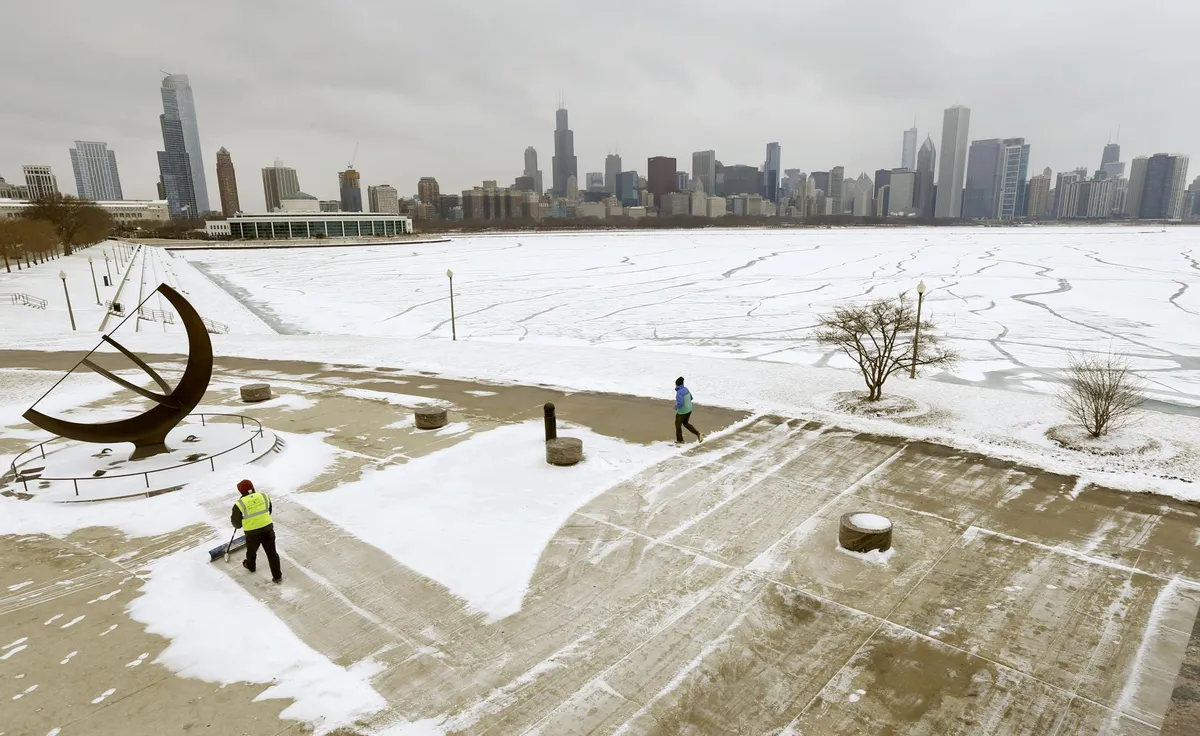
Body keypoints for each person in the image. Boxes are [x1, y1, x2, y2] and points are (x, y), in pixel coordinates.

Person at [231, 479, 282, 583]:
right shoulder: (264, 496)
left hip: (252, 534)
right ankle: (277, 577)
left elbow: (237, 524)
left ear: (241, 491)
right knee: (272, 554)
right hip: (268, 530)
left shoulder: (239, 504)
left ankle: (251, 566)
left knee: (251, 551)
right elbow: (269, 511)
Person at [674, 376, 704, 444]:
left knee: (678, 425)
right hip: (689, 409)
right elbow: (691, 398)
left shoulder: (679, 392)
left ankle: (680, 440)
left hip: (682, 411)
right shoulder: (686, 389)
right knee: (686, 423)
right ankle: (698, 434)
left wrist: (676, 407)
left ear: (677, 384)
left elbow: (680, 403)